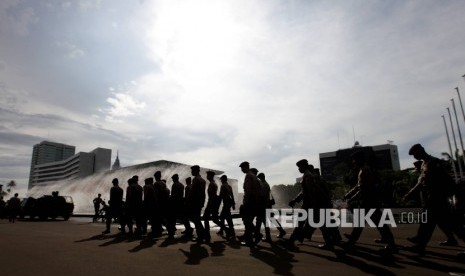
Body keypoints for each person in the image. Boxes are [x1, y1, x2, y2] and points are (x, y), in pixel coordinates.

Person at [407, 144, 464, 255]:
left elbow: (447, 180)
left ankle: (420, 244)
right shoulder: (424, 164)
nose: (414, 157)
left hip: (438, 198)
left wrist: (456, 195)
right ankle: (420, 245)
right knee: (429, 223)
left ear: (421, 151)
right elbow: (421, 182)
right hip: (431, 198)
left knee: (453, 224)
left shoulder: (434, 162)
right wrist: (410, 193)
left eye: (415, 154)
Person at [343, 152, 397, 254]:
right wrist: (349, 194)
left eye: (355, 160)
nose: (353, 162)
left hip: (369, 201)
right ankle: (352, 241)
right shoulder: (363, 170)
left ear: (359, 160)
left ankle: (392, 245)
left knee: (377, 223)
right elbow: (358, 187)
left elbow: (364, 189)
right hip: (369, 201)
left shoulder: (365, 170)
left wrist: (351, 198)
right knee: (371, 223)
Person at [288, 160, 335, 251]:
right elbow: (304, 192)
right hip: (310, 205)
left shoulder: (308, 176)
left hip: (308, 205)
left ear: (304, 166)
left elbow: (311, 192)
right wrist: (295, 200)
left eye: (300, 167)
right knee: (320, 224)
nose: (298, 169)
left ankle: (291, 241)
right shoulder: (307, 175)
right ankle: (329, 243)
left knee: (302, 223)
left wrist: (313, 206)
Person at [239, 161, 261, 246]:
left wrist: (245, 203)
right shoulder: (254, 176)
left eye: (242, 168)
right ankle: (254, 237)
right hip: (255, 201)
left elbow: (248, 191)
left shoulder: (248, 176)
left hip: (250, 201)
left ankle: (253, 238)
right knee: (249, 221)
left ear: (246, 167)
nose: (241, 170)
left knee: (247, 221)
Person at [203, 171, 227, 242]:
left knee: (206, 218)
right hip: (213, 203)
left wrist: (210, 205)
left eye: (208, 175)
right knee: (215, 219)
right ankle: (227, 230)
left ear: (210, 176)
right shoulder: (213, 184)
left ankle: (207, 236)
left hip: (211, 203)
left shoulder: (212, 184)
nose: (207, 176)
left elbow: (212, 196)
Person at [185, 165, 207, 243]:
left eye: (192, 171)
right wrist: (202, 202)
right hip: (199, 203)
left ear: (196, 171)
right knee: (196, 219)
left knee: (194, 219)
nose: (191, 172)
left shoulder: (196, 179)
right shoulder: (203, 180)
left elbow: (192, 192)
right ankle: (202, 234)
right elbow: (203, 193)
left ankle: (201, 235)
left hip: (194, 203)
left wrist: (187, 202)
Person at [167, 174, 184, 239]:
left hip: (174, 203)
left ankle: (171, 232)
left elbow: (173, 195)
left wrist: (169, 201)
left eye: (173, 179)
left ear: (175, 178)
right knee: (181, 217)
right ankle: (188, 229)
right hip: (180, 203)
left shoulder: (174, 185)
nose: (173, 180)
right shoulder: (181, 185)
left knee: (171, 218)